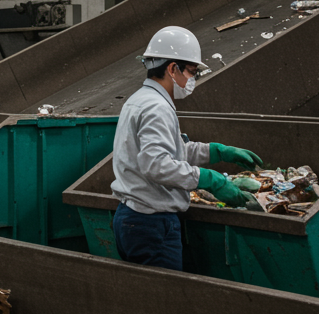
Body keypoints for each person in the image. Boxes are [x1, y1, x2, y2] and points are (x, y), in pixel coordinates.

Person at [110, 26, 263, 271]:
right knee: (164, 303)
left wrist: (218, 151)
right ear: (172, 68)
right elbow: (157, 165)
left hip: (135, 220)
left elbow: (173, 152)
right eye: (192, 72)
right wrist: (209, 179)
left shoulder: (141, 99)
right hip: (151, 223)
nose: (192, 80)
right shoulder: (155, 107)